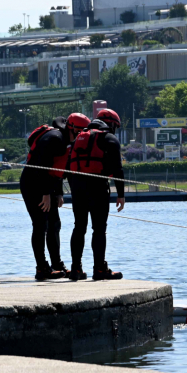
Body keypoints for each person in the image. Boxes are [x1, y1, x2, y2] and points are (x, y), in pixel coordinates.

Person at [21, 113, 90, 280]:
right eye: (80, 133)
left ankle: (56, 264)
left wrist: (58, 193)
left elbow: (56, 167)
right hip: (33, 183)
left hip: (47, 184)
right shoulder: (54, 139)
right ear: (73, 129)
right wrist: (45, 194)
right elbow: (42, 166)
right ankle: (42, 268)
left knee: (54, 224)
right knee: (40, 225)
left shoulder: (64, 140)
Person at [66, 108, 125, 281]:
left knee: (79, 227)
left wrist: (75, 188)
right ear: (111, 124)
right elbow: (118, 169)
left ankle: (75, 269)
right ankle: (99, 269)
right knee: (99, 229)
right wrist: (121, 194)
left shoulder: (79, 138)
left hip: (77, 188)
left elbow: (69, 167)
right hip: (97, 186)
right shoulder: (109, 139)